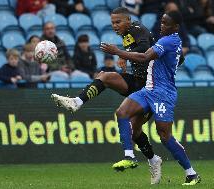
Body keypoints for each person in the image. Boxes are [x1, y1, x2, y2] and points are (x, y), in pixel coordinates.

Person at [51, 7, 162, 185]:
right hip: (137, 81)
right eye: (112, 23)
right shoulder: (127, 34)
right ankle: (76, 102)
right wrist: (125, 58)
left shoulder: (138, 30)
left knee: (135, 131)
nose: (115, 26)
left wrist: (119, 53)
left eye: (118, 22)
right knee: (104, 76)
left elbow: (143, 53)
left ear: (128, 20)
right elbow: (136, 53)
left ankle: (153, 160)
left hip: (152, 87)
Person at [101, 10, 200, 186]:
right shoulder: (171, 41)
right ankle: (129, 156)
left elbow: (144, 57)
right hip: (148, 90)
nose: (162, 26)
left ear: (175, 27)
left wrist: (118, 52)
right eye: (161, 22)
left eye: (166, 23)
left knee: (164, 135)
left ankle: (191, 173)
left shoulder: (168, 41)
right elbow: (177, 60)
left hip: (163, 93)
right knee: (122, 113)